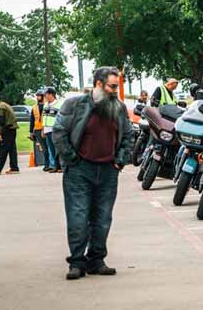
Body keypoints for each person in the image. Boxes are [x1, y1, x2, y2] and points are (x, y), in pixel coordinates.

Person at [52, 66, 134, 280]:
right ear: (98, 84)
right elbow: (59, 131)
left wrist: (120, 161)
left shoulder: (119, 108)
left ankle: (96, 260)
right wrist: (71, 159)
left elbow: (128, 136)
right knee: (78, 216)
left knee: (103, 218)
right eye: (112, 86)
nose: (115, 90)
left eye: (117, 86)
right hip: (79, 171)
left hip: (108, 171)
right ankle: (77, 263)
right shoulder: (75, 105)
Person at [0, 94, 19, 175]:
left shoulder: (0, 108)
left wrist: (0, 133)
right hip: (12, 129)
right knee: (12, 149)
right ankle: (14, 168)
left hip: (7, 130)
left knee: (3, 150)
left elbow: (1, 123)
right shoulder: (5, 105)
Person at [42, 87, 61, 173]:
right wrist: (43, 129)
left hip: (55, 129)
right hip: (47, 130)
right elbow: (44, 117)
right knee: (51, 149)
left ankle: (61, 166)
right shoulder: (45, 105)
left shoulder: (59, 104)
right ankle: (55, 166)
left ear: (51, 94)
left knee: (58, 148)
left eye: (46, 94)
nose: (45, 96)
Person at [29, 89, 48, 171]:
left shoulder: (47, 105)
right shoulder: (34, 107)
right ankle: (47, 164)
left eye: (39, 95)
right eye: (37, 96)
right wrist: (31, 132)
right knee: (44, 148)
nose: (37, 97)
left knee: (49, 148)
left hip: (46, 129)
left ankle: (51, 164)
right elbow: (32, 120)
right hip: (37, 130)